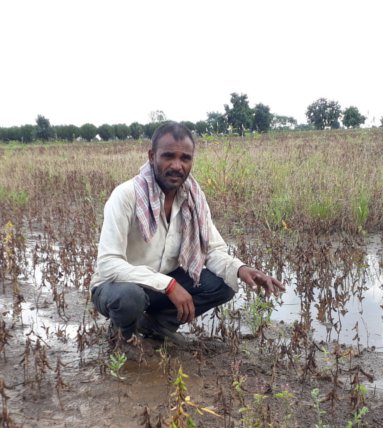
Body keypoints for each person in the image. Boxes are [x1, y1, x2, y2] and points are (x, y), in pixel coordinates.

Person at [90, 122, 284, 347]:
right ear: (152, 156)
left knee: (225, 281)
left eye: (185, 158)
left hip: (162, 286)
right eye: (168, 156)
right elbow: (108, 264)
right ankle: (124, 333)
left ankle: (155, 325)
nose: (177, 166)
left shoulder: (193, 197)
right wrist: (168, 285)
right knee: (129, 298)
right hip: (118, 286)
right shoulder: (126, 196)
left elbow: (212, 250)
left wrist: (240, 269)